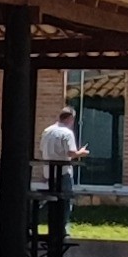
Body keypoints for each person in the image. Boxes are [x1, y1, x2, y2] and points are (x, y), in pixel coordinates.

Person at [36, 107, 87, 249]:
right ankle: (62, 230)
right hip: (63, 172)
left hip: (48, 172)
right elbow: (71, 152)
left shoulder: (47, 131)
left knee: (51, 199)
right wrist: (81, 152)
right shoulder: (67, 133)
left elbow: (42, 150)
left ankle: (36, 221)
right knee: (65, 201)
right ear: (71, 119)